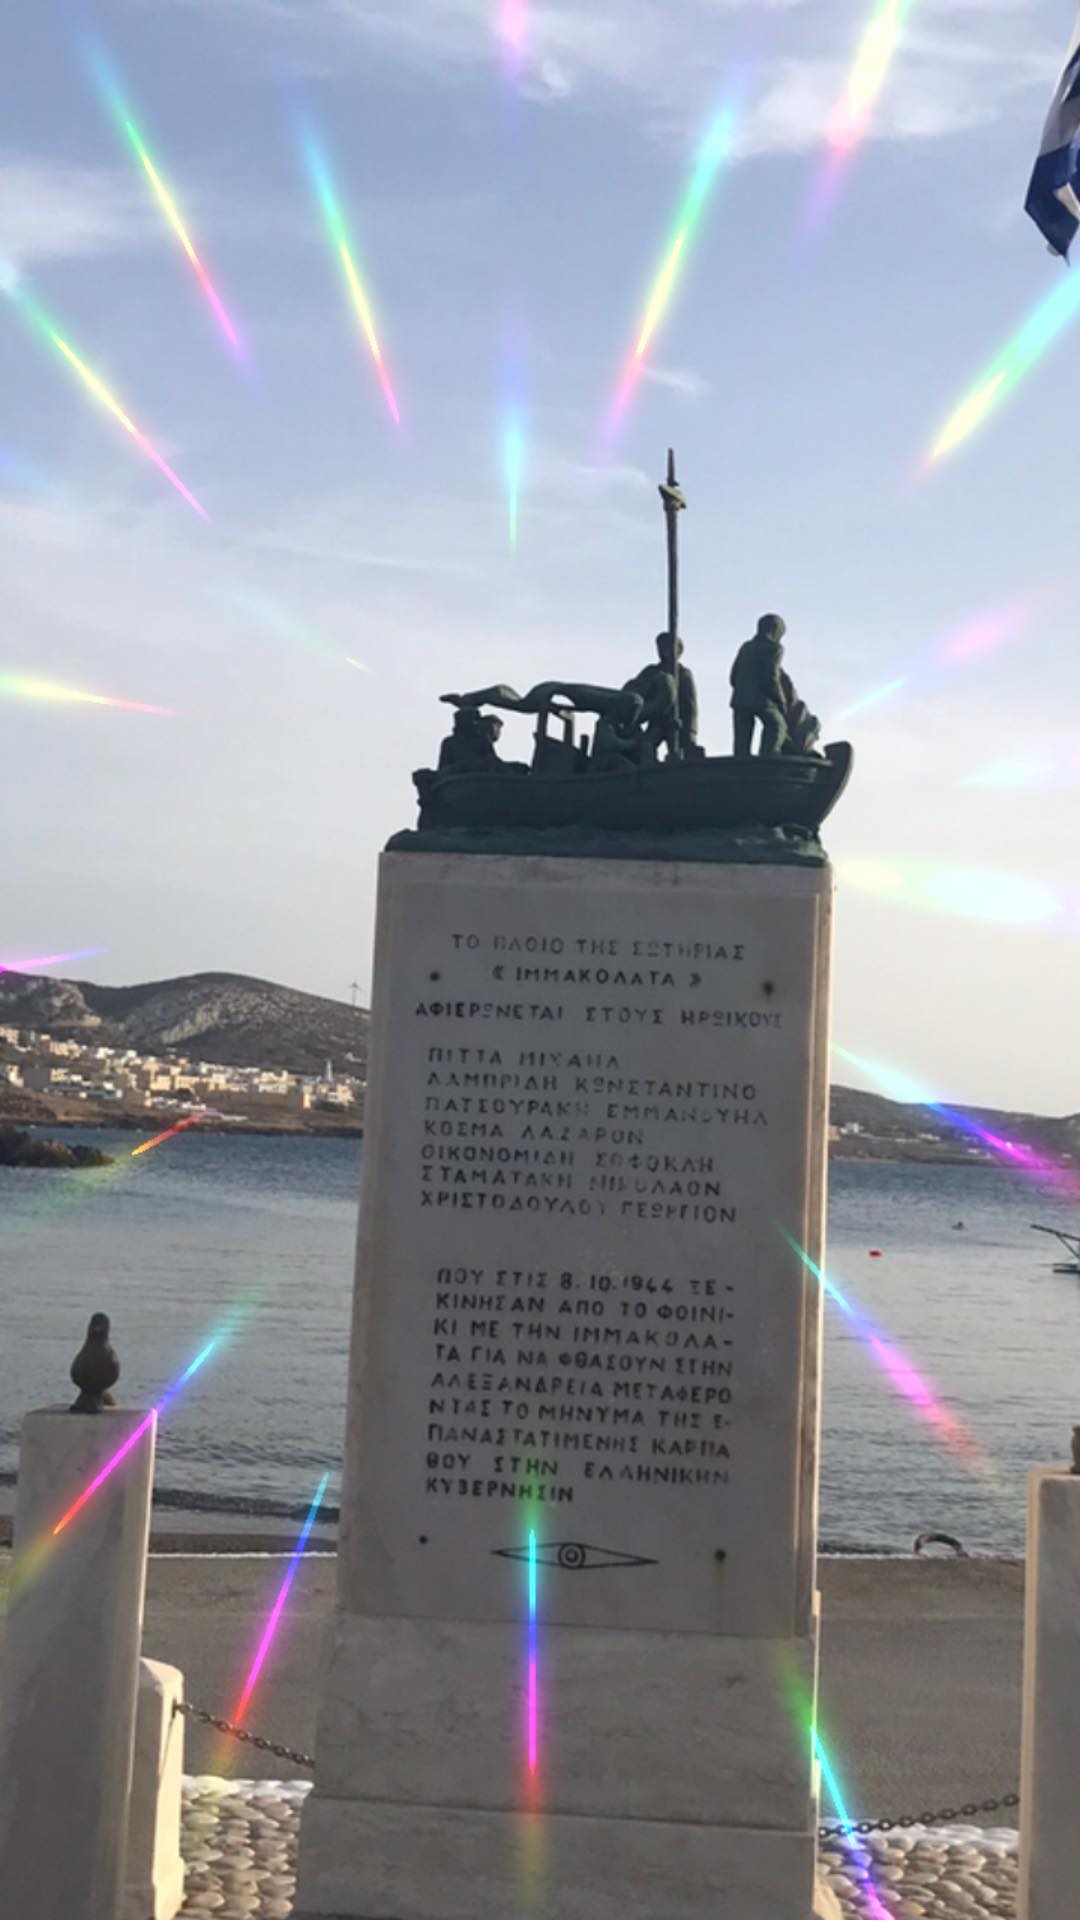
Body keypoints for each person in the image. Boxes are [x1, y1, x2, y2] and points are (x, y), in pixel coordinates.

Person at [730, 614, 788, 756]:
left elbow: (733, 676)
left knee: (741, 741)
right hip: (762, 700)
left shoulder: (746, 647)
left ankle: (741, 762)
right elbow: (771, 677)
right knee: (777, 725)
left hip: (740, 699)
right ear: (775, 630)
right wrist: (781, 701)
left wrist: (742, 690)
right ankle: (768, 756)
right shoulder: (775, 648)